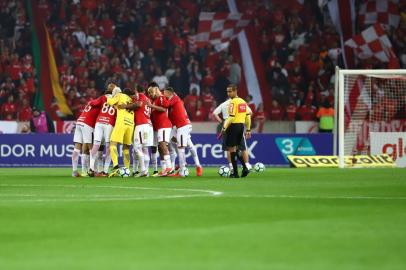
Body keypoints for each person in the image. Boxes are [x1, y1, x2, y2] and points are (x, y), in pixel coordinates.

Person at [163, 86, 202, 177]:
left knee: (182, 148)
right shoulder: (172, 105)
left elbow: (165, 104)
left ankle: (184, 169)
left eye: (164, 93)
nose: (163, 95)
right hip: (176, 127)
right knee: (173, 142)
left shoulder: (175, 99)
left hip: (183, 125)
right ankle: (180, 165)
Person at [212, 96, 252, 174]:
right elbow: (249, 112)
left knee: (229, 148)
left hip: (227, 126)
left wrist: (221, 122)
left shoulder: (224, 104)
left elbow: (214, 113)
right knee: (242, 147)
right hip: (237, 125)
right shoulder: (239, 103)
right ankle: (246, 165)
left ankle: (231, 166)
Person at [220, 85, 251, 178]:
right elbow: (248, 116)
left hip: (233, 127)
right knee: (236, 149)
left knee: (231, 149)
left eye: (230, 91)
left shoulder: (232, 102)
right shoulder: (243, 102)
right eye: (227, 91)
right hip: (241, 127)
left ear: (235, 91)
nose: (228, 93)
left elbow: (231, 117)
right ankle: (245, 168)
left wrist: (224, 127)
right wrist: (248, 129)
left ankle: (235, 173)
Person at [87, 83, 116, 177]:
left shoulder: (103, 98)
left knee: (96, 145)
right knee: (108, 147)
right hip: (109, 124)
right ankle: (105, 171)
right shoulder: (117, 99)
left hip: (99, 122)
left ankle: (91, 168)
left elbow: (91, 103)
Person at [106, 86, 135, 177]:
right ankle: (127, 168)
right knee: (126, 148)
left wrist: (111, 96)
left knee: (112, 144)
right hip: (130, 124)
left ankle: (116, 166)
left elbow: (109, 102)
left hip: (121, 122)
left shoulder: (119, 95)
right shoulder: (130, 100)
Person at [147, 82, 173, 176]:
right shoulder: (153, 101)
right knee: (160, 148)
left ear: (155, 91)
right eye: (149, 93)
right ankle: (164, 169)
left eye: (151, 92)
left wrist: (152, 106)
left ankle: (169, 167)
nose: (150, 94)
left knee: (162, 145)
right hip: (159, 127)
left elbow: (163, 109)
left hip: (164, 125)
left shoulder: (160, 98)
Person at [71, 96, 101, 177]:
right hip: (87, 124)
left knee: (77, 148)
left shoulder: (91, 103)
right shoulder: (100, 104)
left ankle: (75, 171)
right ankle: (93, 170)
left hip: (79, 122)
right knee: (92, 148)